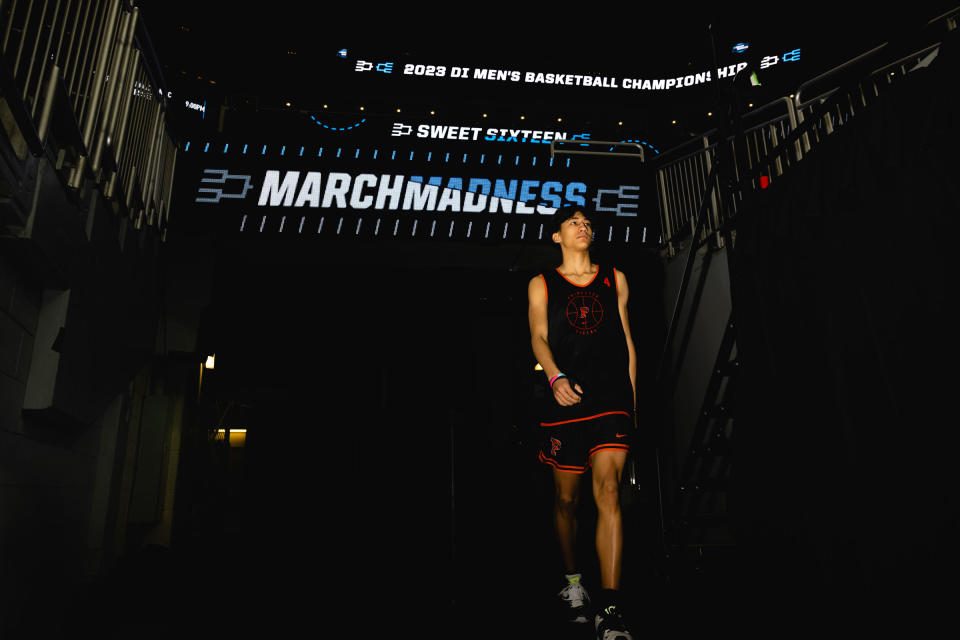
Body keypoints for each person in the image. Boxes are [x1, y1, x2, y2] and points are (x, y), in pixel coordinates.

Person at [527, 205, 636, 640]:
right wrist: (554, 376)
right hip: (564, 400)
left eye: (587, 222)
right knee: (567, 502)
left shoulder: (615, 278)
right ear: (557, 236)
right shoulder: (542, 283)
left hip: (611, 399)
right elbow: (538, 336)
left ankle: (610, 610)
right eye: (573, 222)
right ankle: (573, 583)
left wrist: (633, 403)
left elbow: (627, 341)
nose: (583, 227)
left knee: (609, 490)